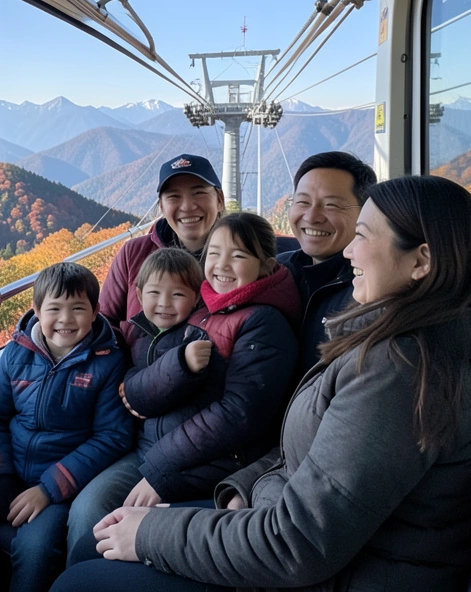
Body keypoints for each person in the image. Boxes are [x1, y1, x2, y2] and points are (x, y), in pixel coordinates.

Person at [53, 175, 471, 592]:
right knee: (94, 543)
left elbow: (297, 546)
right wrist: (244, 489)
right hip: (312, 539)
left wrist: (153, 534)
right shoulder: (422, 340)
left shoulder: (402, 367)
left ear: (421, 261)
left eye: (362, 237)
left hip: (327, 570)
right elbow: (323, 466)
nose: (350, 254)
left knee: (82, 576)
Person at [66, 214, 300, 566]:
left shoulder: (264, 323)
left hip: (203, 463)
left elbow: (237, 415)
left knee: (94, 527)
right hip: (155, 450)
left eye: (237, 256)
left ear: (265, 266)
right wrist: (141, 387)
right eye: (214, 253)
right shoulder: (200, 308)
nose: (221, 265)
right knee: (88, 511)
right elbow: (144, 384)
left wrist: (158, 471)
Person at [0, 262, 132, 592]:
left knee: (35, 550)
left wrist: (48, 489)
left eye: (78, 308)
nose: (66, 320)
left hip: (60, 485)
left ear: (95, 312)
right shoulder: (17, 354)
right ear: (37, 311)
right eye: (54, 309)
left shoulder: (107, 362)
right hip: (7, 472)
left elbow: (113, 436)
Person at [277, 152, 378, 378]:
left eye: (331, 205)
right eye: (302, 202)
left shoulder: (370, 290)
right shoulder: (275, 272)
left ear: (365, 213)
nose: (312, 217)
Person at [98, 154, 223, 327]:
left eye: (199, 193)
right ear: (161, 206)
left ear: (220, 200)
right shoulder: (134, 253)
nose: (187, 206)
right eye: (173, 197)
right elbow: (104, 323)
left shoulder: (243, 255)